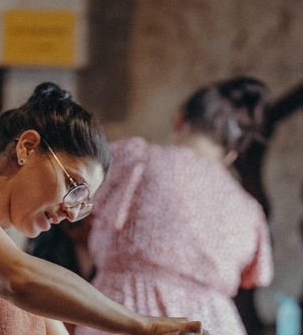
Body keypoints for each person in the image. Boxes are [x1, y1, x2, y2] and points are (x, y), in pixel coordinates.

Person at [0, 82, 205, 335]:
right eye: (74, 187)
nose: (72, 214)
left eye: (83, 203)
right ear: (27, 147)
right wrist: (143, 325)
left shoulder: (35, 291)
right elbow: (16, 278)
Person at [75, 77, 274, 335]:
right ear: (231, 153)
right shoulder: (249, 209)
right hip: (213, 325)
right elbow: (253, 277)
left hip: (127, 314)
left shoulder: (138, 160)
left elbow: (73, 195)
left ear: (180, 120)